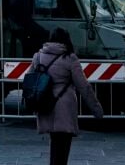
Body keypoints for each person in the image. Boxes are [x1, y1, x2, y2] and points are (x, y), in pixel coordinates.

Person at [34, 27, 103, 165]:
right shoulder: (70, 58)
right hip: (64, 106)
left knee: (54, 142)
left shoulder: (38, 56)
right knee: (63, 147)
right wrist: (96, 109)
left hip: (45, 103)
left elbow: (32, 79)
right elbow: (83, 86)